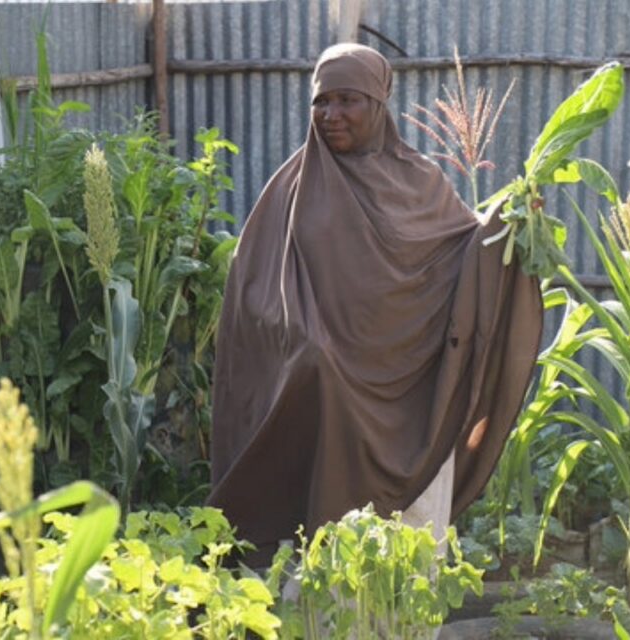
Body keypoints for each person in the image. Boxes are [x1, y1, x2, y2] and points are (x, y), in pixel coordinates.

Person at [207, 43, 543, 562]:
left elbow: (465, 256)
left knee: (400, 570)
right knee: (322, 566)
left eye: (348, 100)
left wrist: (509, 219)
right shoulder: (290, 193)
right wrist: (307, 348)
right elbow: (254, 297)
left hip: (413, 396)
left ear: (378, 105)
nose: (331, 115)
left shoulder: (420, 182)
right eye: (322, 102)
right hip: (321, 404)